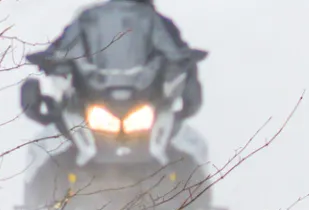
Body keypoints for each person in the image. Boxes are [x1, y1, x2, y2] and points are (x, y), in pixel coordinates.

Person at [30, 0, 204, 123]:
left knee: (191, 147)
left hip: (147, 102)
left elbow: (177, 54)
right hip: (92, 100)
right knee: (45, 149)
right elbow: (64, 47)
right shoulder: (89, 19)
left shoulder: (156, 22)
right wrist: (51, 60)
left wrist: (184, 62)